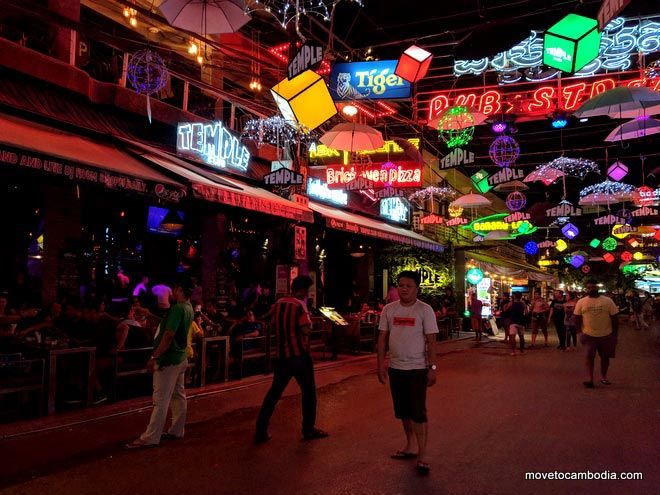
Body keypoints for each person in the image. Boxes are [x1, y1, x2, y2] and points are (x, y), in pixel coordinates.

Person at [377, 271, 438, 476]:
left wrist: (433, 368)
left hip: (418, 369)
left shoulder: (425, 310)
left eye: (408, 286)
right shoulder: (389, 309)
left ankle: (423, 454)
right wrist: (380, 365)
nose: (404, 289)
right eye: (401, 285)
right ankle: (409, 446)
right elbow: (382, 339)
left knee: (418, 412)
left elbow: (431, 341)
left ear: (416, 289)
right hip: (396, 368)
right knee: (403, 411)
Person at [255, 275, 328, 443]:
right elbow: (305, 330)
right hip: (299, 357)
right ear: (301, 290)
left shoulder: (278, 303)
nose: (308, 294)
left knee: (274, 394)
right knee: (309, 393)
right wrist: (309, 326)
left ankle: (261, 429)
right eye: (307, 290)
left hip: (281, 357)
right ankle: (308, 429)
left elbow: (268, 320)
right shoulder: (300, 306)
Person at [127, 279, 194, 448]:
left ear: (179, 289)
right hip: (180, 358)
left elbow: (168, 334)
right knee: (178, 395)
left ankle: (150, 437)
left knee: (161, 399)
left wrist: (155, 357)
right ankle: (177, 430)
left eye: (174, 289)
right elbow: (168, 326)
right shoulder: (188, 308)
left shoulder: (178, 308)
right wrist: (150, 315)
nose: (171, 293)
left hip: (169, 360)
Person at [573, 280, 619, 389]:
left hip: (606, 334)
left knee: (605, 357)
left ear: (597, 288)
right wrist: (579, 332)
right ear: (586, 289)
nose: (591, 289)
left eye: (593, 287)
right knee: (589, 357)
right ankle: (590, 379)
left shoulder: (608, 301)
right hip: (589, 335)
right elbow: (577, 318)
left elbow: (614, 318)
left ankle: (604, 376)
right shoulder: (581, 302)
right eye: (588, 287)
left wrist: (614, 335)